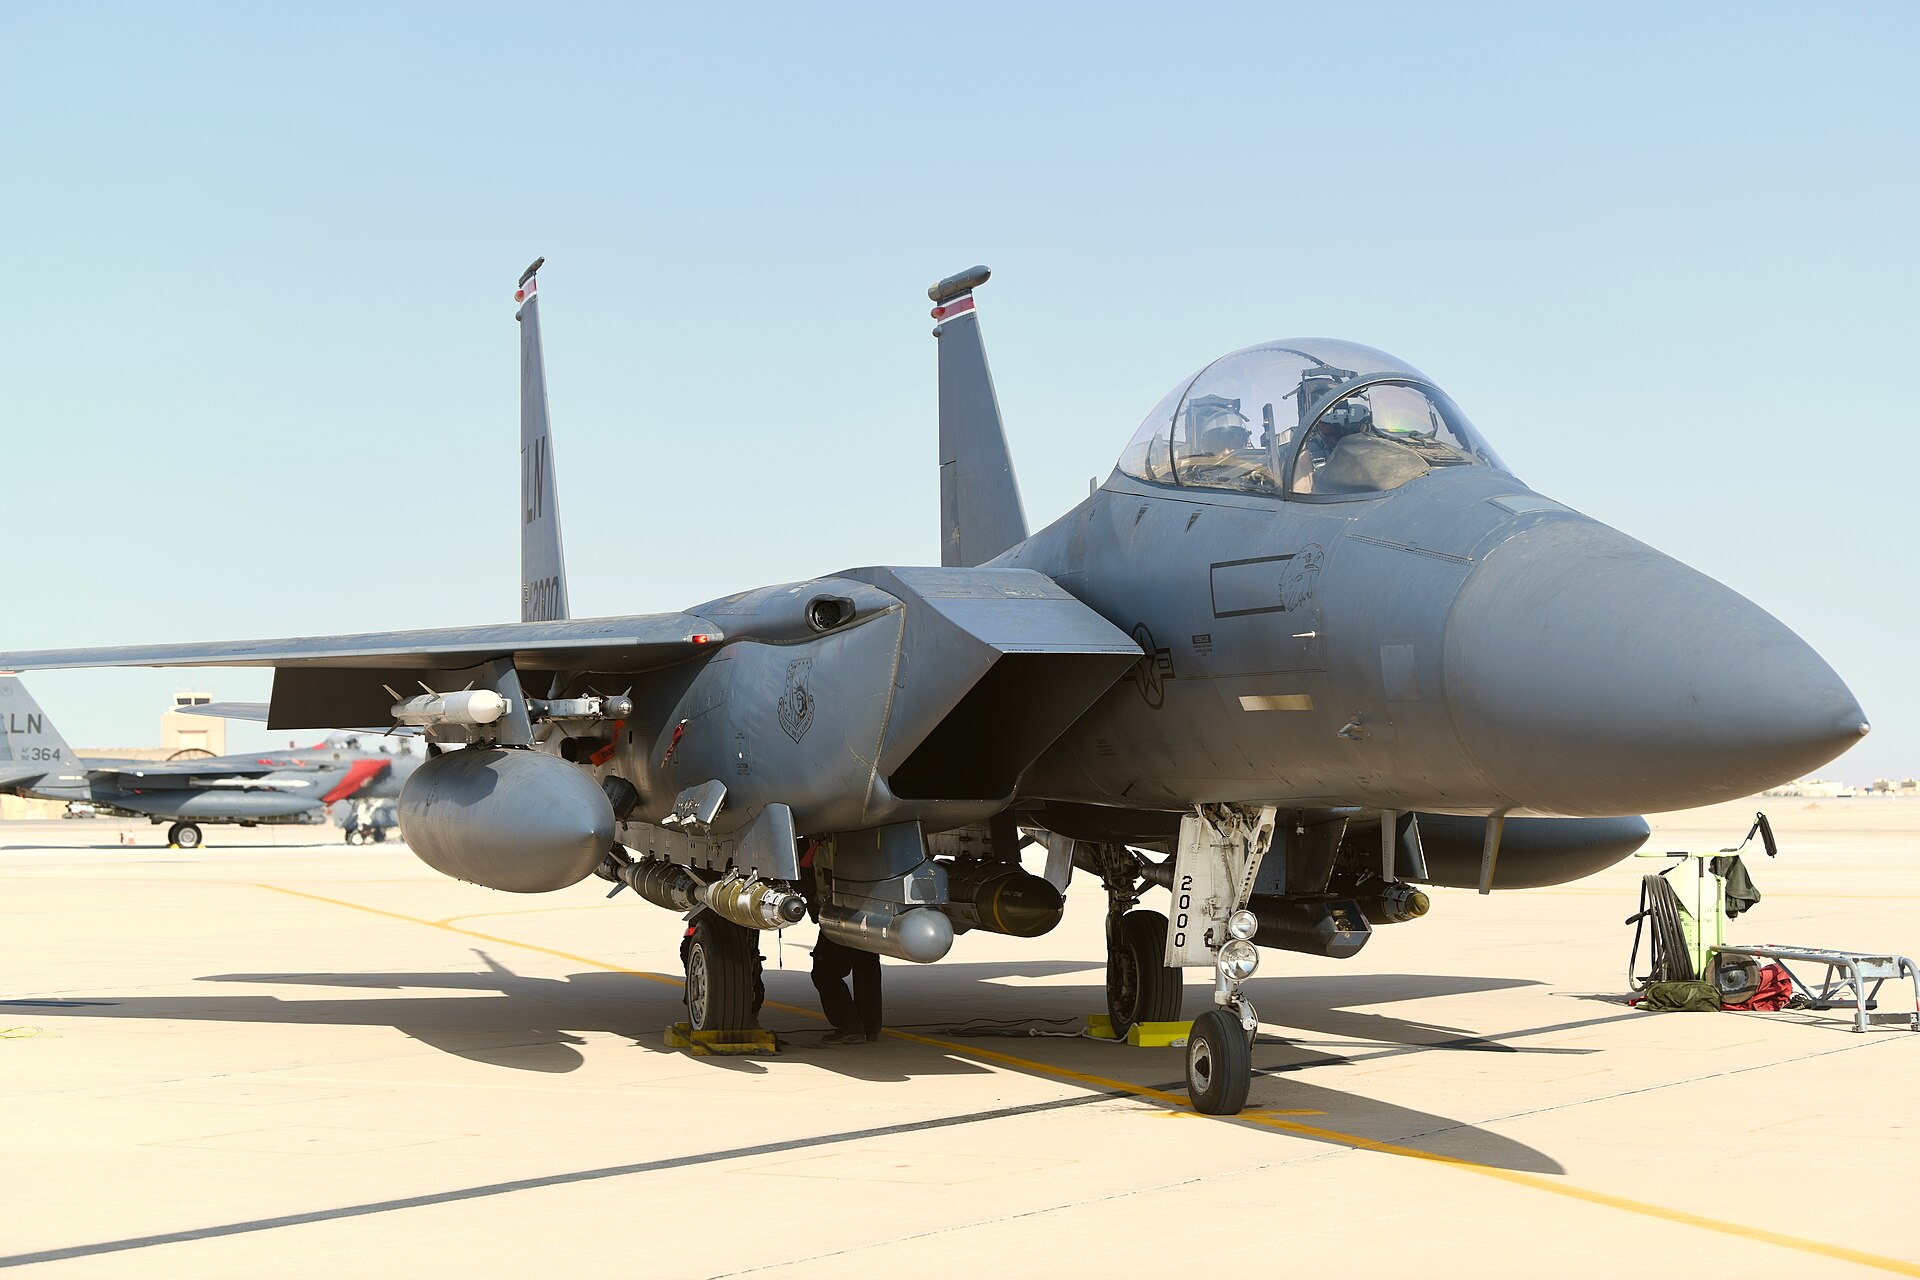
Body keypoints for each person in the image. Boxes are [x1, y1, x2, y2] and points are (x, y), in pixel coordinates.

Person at [798, 841, 882, 1044]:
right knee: (865, 969)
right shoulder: (857, 841)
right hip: (866, 912)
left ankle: (850, 1027)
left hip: (841, 914)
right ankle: (869, 1027)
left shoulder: (819, 844)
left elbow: (804, 877)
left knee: (825, 974)